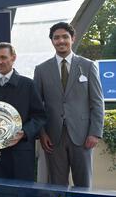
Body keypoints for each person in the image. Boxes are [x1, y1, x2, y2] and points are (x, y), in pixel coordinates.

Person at [34, 22, 104, 187]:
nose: (61, 41)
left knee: (84, 184)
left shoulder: (88, 66)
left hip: (83, 136)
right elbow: (37, 106)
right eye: (56, 38)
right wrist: (42, 134)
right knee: (57, 186)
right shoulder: (41, 69)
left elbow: (97, 102)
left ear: (72, 38)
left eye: (65, 37)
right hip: (53, 137)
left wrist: (95, 132)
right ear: (52, 41)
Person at [0, 42, 46, 181]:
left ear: (13, 58)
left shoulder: (28, 85)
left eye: (3, 57)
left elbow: (39, 116)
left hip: (20, 155)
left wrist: (24, 132)